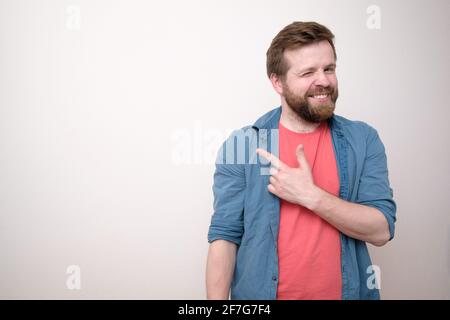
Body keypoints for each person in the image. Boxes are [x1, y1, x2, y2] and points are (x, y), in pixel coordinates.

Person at [206, 21, 396, 300]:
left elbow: (381, 230)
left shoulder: (363, 139)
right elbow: (225, 238)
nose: (324, 81)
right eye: (308, 72)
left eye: (329, 69)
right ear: (277, 82)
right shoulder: (243, 145)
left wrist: (311, 196)